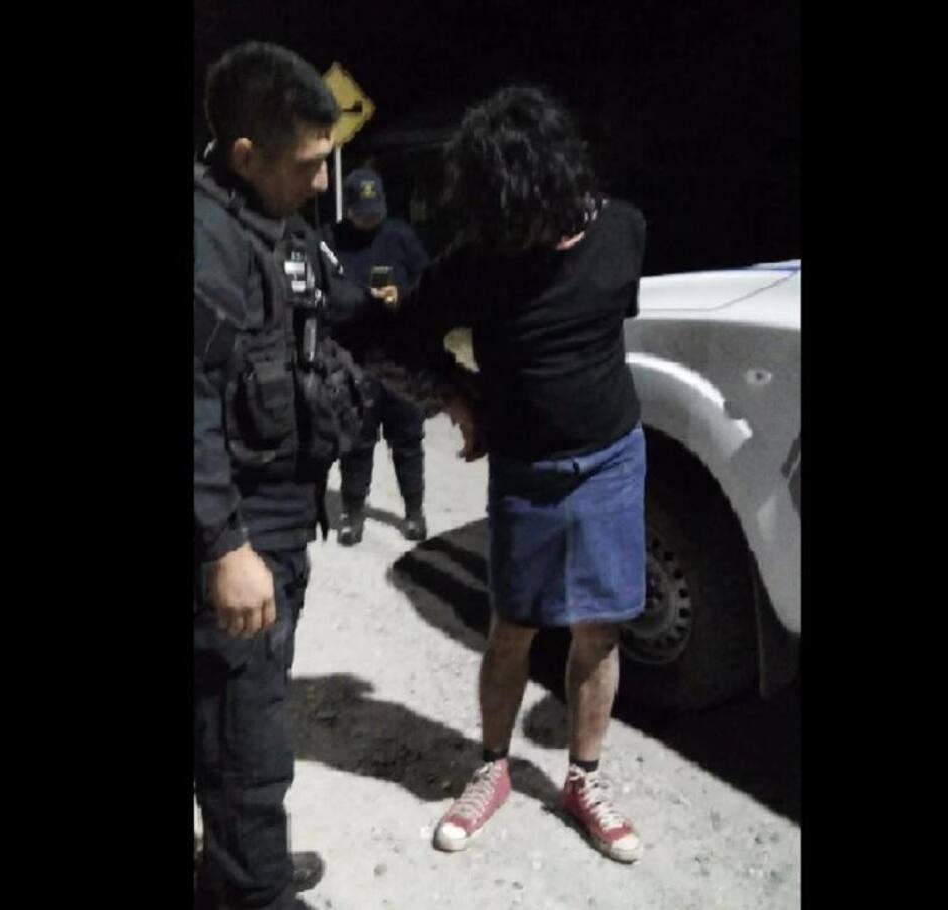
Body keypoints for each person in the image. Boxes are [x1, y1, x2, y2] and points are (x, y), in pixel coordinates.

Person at [372, 85, 648, 864]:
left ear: (551, 184)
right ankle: (492, 768)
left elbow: (602, 329)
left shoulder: (623, 230)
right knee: (513, 627)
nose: (500, 230)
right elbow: (399, 341)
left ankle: (581, 780)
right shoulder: (477, 262)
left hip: (613, 462)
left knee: (599, 627)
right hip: (524, 473)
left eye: (510, 210)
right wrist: (456, 398)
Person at [193, 41, 369, 909]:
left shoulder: (274, 226)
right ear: (246, 157)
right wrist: (222, 542)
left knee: (239, 716)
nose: (321, 182)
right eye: (306, 165)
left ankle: (234, 859)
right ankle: (250, 890)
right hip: (236, 527)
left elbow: (326, 330)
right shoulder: (205, 241)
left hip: (280, 524)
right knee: (244, 734)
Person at [322, 168, 431, 544]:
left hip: (401, 357)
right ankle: (353, 514)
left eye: (375, 210)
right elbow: (320, 297)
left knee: (408, 440)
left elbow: (428, 284)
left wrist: (402, 297)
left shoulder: (400, 236)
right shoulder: (329, 241)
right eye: (362, 212)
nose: (370, 219)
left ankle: (414, 511)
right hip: (353, 361)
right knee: (356, 442)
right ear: (348, 208)